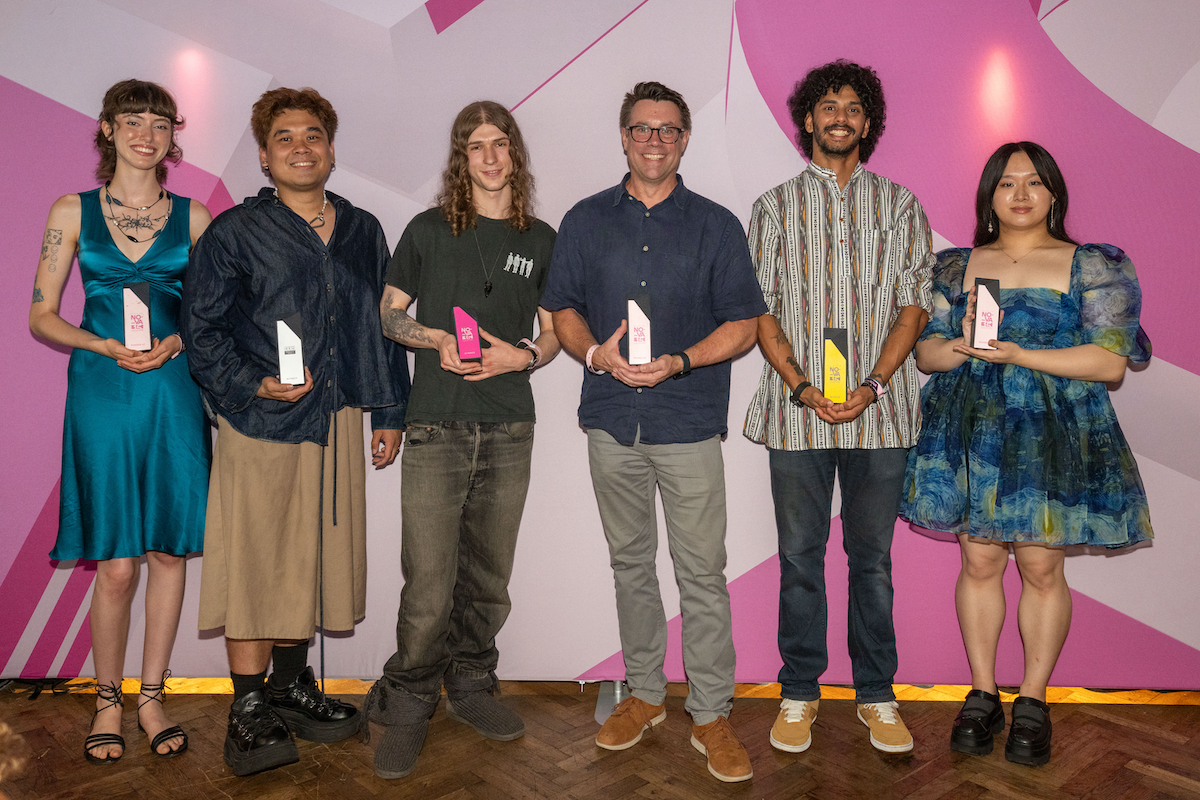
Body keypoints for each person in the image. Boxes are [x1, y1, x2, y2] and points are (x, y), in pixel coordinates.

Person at [900, 141, 1153, 767]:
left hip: (1052, 432)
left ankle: (1033, 700)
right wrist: (961, 342)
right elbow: (925, 355)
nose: (1020, 193)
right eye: (1007, 182)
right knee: (979, 561)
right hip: (972, 433)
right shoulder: (953, 266)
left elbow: (1109, 362)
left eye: (1034, 182)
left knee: (1042, 569)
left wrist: (1018, 354)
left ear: (1054, 194)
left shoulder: (1093, 264)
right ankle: (982, 693)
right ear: (988, 194)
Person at [541, 81, 765, 784]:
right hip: (612, 421)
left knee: (701, 571)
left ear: (686, 139)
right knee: (630, 564)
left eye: (669, 130)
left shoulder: (717, 226)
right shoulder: (583, 221)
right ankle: (644, 694)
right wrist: (592, 353)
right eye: (643, 129)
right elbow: (564, 309)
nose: (655, 141)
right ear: (625, 137)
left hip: (687, 420)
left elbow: (744, 324)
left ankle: (710, 710)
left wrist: (681, 361)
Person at [182, 87, 410, 777]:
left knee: (312, 555)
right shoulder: (233, 233)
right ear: (264, 153)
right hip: (262, 423)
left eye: (313, 135)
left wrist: (391, 409)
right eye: (285, 137)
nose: (301, 146)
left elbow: (384, 325)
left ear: (332, 149)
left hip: (338, 418)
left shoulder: (364, 230)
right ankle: (248, 705)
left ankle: (290, 686)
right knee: (257, 558)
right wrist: (252, 383)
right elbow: (201, 329)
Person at [743, 59, 933, 756]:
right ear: (807, 119)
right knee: (799, 558)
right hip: (797, 413)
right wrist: (800, 385)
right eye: (828, 105)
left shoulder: (902, 206)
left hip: (881, 414)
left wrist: (874, 384)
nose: (840, 116)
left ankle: (877, 695)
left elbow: (914, 304)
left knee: (872, 562)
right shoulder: (773, 208)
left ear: (869, 121)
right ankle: (799, 691)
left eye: (853, 106)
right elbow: (757, 309)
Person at [365, 100, 560, 780]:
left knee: (489, 577)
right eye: (474, 144)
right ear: (460, 157)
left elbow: (559, 329)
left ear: (514, 153)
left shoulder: (541, 236)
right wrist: (436, 337)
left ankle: (472, 682)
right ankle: (410, 698)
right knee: (428, 581)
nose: (488, 155)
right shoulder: (424, 230)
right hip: (435, 423)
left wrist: (526, 357)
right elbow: (390, 317)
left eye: (499, 142)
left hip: (510, 423)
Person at [29, 79, 212, 765]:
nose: (146, 133)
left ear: (174, 136)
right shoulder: (69, 211)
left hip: (171, 392)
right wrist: (99, 342)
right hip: (102, 391)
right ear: (107, 129)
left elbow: (217, 312)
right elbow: (39, 315)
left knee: (167, 551)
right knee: (114, 565)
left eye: (159, 123)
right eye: (132, 121)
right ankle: (106, 700)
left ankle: (152, 696)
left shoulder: (196, 219)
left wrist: (182, 341)